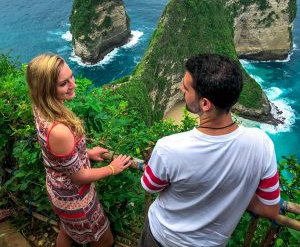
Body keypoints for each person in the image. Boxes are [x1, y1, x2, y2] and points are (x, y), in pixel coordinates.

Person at [138, 54, 280, 247]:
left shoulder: (169, 148)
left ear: (205, 103)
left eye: (186, 87)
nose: (180, 88)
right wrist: (234, 194)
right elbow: (270, 210)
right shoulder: (262, 143)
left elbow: (149, 186)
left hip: (162, 238)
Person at [26, 53, 131, 247]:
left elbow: (58, 156)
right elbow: (78, 176)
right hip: (75, 198)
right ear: (46, 89)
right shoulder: (59, 130)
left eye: (71, 77)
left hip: (58, 190)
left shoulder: (41, 108)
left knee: (67, 229)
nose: (73, 85)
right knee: (104, 240)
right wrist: (112, 168)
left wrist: (86, 153)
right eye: (63, 83)